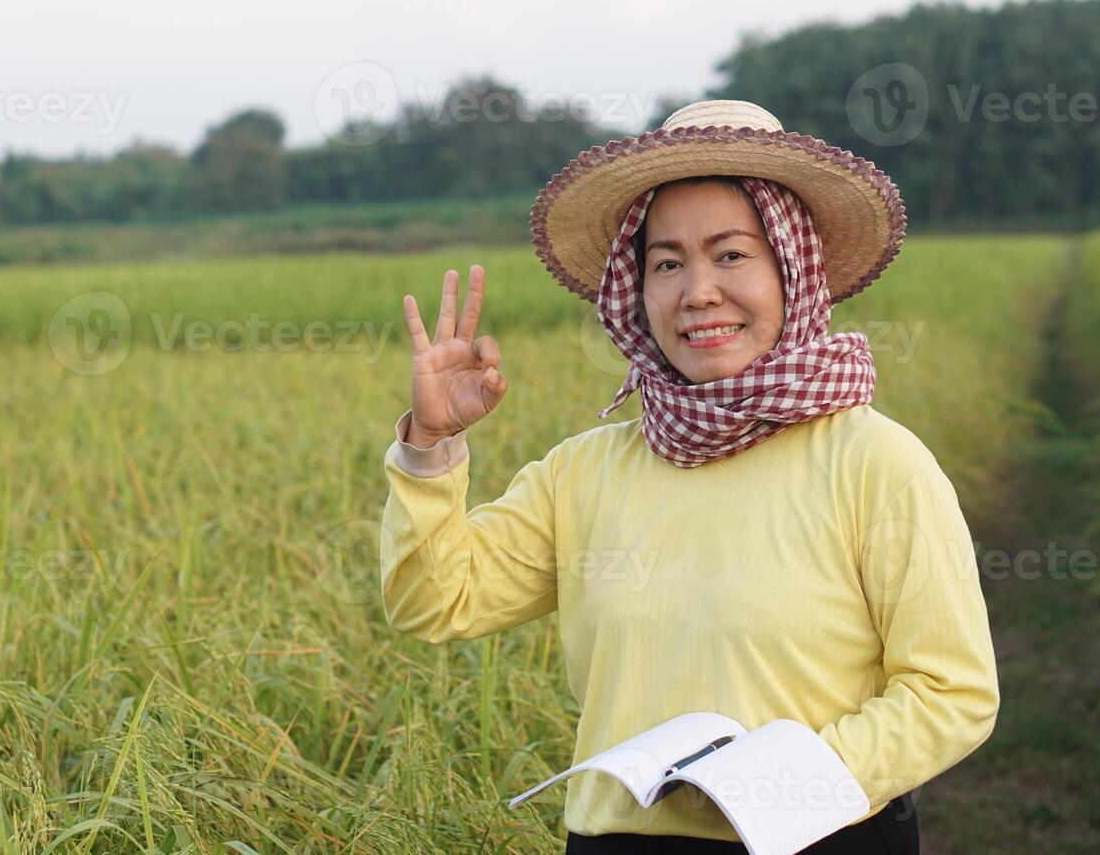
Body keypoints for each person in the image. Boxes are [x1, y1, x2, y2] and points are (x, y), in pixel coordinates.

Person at [379, 99, 999, 853]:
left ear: (794, 271)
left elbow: (952, 693)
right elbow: (434, 601)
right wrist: (431, 444)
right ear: (637, 292)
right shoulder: (587, 472)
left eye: (731, 254)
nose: (697, 291)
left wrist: (774, 788)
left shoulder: (875, 464)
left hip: (820, 832)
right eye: (667, 262)